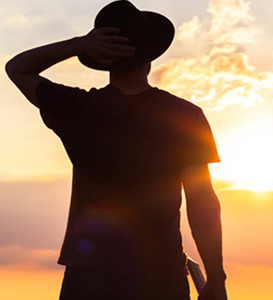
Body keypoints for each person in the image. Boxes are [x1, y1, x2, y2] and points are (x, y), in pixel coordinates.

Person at [6, 1, 228, 299]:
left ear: (104, 60)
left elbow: (17, 67)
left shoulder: (78, 109)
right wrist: (216, 277)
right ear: (150, 58)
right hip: (159, 276)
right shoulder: (184, 116)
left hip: (88, 277)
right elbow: (202, 205)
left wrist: (80, 44)